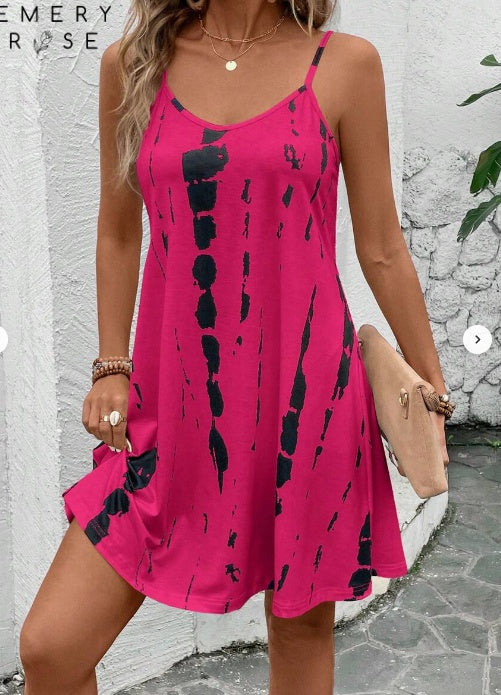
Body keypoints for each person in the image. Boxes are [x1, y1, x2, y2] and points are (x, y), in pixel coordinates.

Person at [19, 0, 451, 693]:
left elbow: (382, 247)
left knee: (299, 632)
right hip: (172, 406)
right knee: (51, 648)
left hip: (305, 403)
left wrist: (430, 389)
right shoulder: (134, 66)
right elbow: (118, 231)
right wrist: (110, 365)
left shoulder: (344, 65)